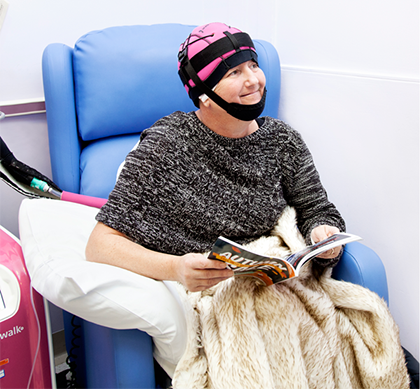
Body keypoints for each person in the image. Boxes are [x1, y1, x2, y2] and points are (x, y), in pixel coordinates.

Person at [85, 22, 346, 293]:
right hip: (197, 292)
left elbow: (317, 210)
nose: (254, 80)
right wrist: (175, 268)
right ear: (203, 95)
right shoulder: (167, 143)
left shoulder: (283, 141)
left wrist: (323, 235)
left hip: (274, 287)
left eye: (254, 66)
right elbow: (100, 245)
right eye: (234, 72)